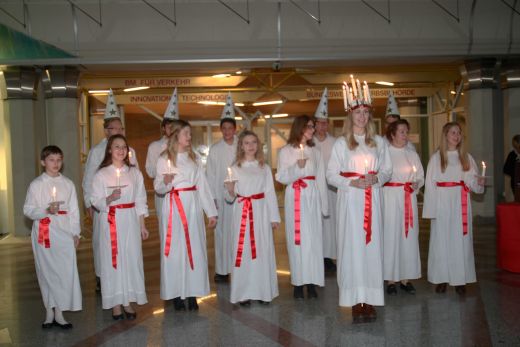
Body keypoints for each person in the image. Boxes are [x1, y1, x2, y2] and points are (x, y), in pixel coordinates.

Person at [327, 79, 392, 323]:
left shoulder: (380, 143)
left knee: (372, 249)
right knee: (353, 248)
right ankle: (355, 300)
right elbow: (331, 175)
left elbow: (387, 171)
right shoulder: (341, 143)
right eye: (358, 113)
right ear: (350, 115)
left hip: (372, 200)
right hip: (352, 203)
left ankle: (371, 298)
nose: (362, 117)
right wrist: (351, 182)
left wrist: (376, 179)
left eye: (366, 112)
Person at [154, 120, 218, 311]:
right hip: (174, 205)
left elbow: (203, 186)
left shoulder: (194, 159)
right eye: (186, 134)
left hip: (192, 207)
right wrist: (166, 182)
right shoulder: (163, 159)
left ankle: (191, 292)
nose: (190, 137)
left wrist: (211, 212)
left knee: (194, 247)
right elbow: (158, 187)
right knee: (175, 249)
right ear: (176, 136)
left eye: (190, 134)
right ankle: (176, 293)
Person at [82, 90, 139, 291]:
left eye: (121, 128)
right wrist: (89, 202)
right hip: (104, 204)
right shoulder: (97, 151)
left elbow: (136, 175)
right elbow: (89, 178)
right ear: (106, 130)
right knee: (102, 242)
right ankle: (102, 276)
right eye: (114, 128)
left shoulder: (129, 151)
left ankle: (124, 277)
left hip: (125, 204)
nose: (118, 131)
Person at [90, 134, 149, 320]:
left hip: (130, 220)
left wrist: (142, 225)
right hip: (110, 220)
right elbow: (95, 200)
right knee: (112, 260)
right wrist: (109, 198)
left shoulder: (134, 173)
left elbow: (140, 199)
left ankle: (128, 301)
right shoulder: (101, 174)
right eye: (117, 146)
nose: (121, 150)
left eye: (124, 146)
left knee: (131, 259)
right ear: (109, 149)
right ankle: (115, 303)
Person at [423, 122, 485, 295]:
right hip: (442, 201)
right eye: (453, 132)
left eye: (458, 133)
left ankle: (459, 279)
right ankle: (441, 278)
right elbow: (430, 184)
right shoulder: (437, 158)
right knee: (441, 240)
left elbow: (472, 181)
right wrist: (431, 210)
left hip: (460, 201)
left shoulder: (466, 157)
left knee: (461, 241)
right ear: (445, 135)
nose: (456, 136)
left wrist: (478, 183)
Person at [24, 145, 82, 329]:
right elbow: (28, 210)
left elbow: (74, 211)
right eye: (51, 160)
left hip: (64, 232)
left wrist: (75, 233)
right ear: (43, 162)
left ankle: (60, 312)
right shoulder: (36, 185)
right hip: (45, 232)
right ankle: (50, 311)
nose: (55, 163)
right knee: (46, 272)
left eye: (58, 160)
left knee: (63, 272)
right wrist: (46, 210)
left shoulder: (68, 184)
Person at [225, 130, 281, 306]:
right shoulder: (234, 169)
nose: (250, 146)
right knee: (244, 251)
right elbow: (229, 198)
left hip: (260, 212)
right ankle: (244, 292)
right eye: (247, 143)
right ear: (241, 146)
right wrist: (231, 190)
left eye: (254, 142)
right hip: (242, 212)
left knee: (262, 249)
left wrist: (274, 217)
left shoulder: (263, 167)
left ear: (258, 145)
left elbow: (270, 192)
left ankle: (263, 291)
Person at [275, 115, 328, 300]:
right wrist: (297, 168)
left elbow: (321, 178)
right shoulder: (285, 151)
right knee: (297, 240)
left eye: (313, 127)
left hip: (312, 196)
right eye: (309, 127)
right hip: (295, 196)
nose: (313, 130)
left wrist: (324, 206)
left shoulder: (316, 152)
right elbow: (281, 177)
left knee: (313, 240)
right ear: (299, 127)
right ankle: (298, 282)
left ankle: (312, 282)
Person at [382, 120, 424, 296]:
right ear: (392, 134)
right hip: (391, 197)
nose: (405, 135)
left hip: (408, 197)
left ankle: (406, 278)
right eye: (401, 132)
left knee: (408, 236)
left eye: (407, 131)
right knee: (391, 236)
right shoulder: (385, 153)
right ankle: (391, 279)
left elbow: (420, 175)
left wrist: (416, 184)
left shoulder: (412, 154)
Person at [206, 93, 238, 282]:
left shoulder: (241, 146)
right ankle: (222, 270)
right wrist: (213, 200)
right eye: (224, 128)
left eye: (230, 128)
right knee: (221, 233)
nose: (227, 131)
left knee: (237, 232)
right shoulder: (215, 149)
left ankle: (237, 267)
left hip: (238, 195)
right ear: (221, 130)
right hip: (220, 195)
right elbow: (210, 174)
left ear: (235, 129)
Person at [313, 88, 338, 273]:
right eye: (319, 123)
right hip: (314, 189)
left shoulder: (335, 142)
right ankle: (317, 254)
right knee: (317, 222)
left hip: (331, 189)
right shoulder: (309, 143)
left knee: (331, 222)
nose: (322, 127)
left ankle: (329, 255)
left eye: (325, 123)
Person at [145, 88, 178, 228]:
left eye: (175, 127)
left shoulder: (184, 148)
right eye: (169, 127)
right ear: (164, 128)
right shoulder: (155, 147)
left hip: (180, 192)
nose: (172, 130)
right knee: (165, 228)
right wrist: (163, 173)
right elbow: (149, 171)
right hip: (162, 192)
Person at [503, 134, 520, 202]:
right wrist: (515, 172)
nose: (516, 147)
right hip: (515, 183)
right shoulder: (512, 155)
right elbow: (505, 169)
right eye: (514, 145)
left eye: (517, 145)